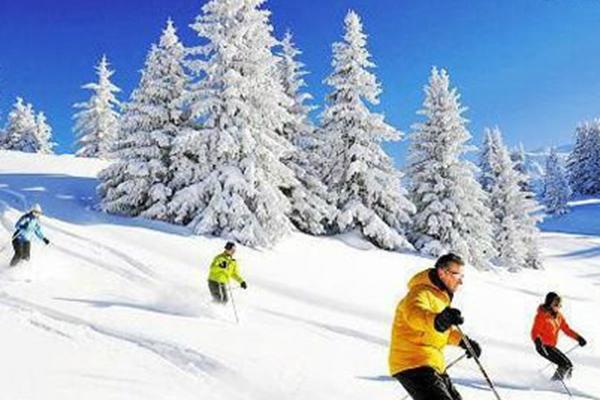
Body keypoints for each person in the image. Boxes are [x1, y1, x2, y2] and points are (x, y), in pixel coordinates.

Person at [389, 253, 481, 400]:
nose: (460, 282)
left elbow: (441, 330)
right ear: (442, 273)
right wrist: (439, 320)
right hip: (412, 363)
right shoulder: (419, 292)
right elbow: (415, 316)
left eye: (462, 277)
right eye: (458, 276)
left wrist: (464, 341)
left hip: (432, 364)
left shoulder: (440, 298)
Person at [531, 292, 587, 381]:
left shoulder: (558, 316)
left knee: (569, 365)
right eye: (556, 304)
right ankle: (554, 384)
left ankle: (566, 381)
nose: (558, 306)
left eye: (559, 304)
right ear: (549, 304)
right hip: (543, 346)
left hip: (551, 346)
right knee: (565, 365)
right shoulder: (542, 316)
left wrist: (578, 338)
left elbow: (566, 329)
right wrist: (537, 341)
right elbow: (535, 331)